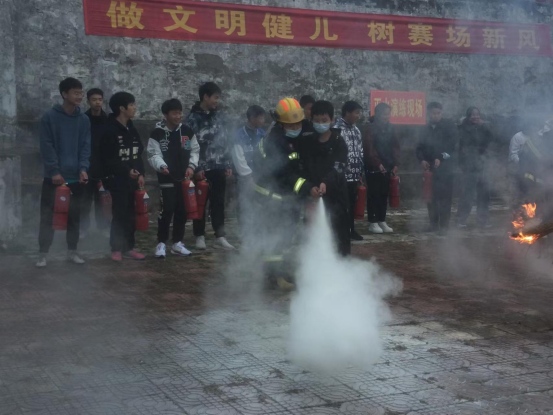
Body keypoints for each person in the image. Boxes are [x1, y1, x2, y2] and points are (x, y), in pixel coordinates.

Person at [252, 97, 319, 290]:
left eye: (298, 123)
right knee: (277, 234)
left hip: (284, 195)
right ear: (281, 123)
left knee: (286, 234)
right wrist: (307, 187)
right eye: (291, 124)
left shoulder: (293, 135)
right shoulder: (276, 142)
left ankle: (279, 272)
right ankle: (273, 277)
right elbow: (286, 176)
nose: (296, 127)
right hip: (270, 195)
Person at [36, 77, 91, 268]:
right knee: (48, 216)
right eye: (75, 92)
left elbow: (85, 146)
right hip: (54, 177)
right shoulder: (50, 117)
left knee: (74, 216)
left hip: (76, 177)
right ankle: (43, 253)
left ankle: (72, 251)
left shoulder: (83, 119)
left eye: (81, 92)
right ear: (64, 94)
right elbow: (46, 146)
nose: (79, 96)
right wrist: (54, 171)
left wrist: (83, 169)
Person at [147, 99, 200, 259]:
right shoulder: (157, 133)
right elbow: (153, 154)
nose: (178, 116)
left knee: (182, 210)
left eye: (179, 113)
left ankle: (177, 242)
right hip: (166, 178)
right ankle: (161, 243)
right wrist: (162, 166)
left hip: (184, 179)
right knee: (167, 209)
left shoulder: (187, 132)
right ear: (166, 115)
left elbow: (195, 150)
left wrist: (191, 166)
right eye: (174, 113)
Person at [186, 82, 235, 250]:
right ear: (205, 97)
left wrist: (227, 162)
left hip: (219, 165)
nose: (217, 101)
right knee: (200, 203)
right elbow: (188, 146)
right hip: (201, 168)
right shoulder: (192, 119)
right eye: (215, 97)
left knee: (218, 202)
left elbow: (226, 140)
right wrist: (196, 168)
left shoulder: (220, 117)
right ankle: (199, 235)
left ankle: (220, 235)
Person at [100, 92, 146, 261]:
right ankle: (116, 248)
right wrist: (126, 171)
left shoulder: (131, 128)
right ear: (122, 108)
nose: (134, 108)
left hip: (132, 179)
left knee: (131, 214)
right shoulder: (109, 129)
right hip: (116, 179)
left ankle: (129, 247)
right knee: (119, 213)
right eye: (131, 105)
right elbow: (108, 158)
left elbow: (138, 153)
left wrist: (140, 173)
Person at [303, 100, 350, 255]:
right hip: (313, 195)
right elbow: (303, 169)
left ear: (332, 120)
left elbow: (339, 167)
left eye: (324, 120)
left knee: (339, 232)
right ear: (311, 120)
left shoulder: (338, 142)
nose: (320, 124)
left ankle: (342, 263)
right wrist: (310, 187)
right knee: (312, 233)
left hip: (336, 196)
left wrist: (326, 182)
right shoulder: (308, 142)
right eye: (317, 120)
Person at [416, 102, 457, 235]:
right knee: (431, 197)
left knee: (445, 198)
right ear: (429, 113)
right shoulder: (424, 129)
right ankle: (433, 224)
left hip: (445, 169)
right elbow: (419, 147)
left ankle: (444, 226)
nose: (436, 116)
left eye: (438, 113)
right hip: (430, 169)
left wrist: (441, 157)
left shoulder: (448, 127)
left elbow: (452, 147)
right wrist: (422, 160)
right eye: (433, 113)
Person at [362, 103, 400, 234]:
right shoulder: (370, 128)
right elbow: (369, 148)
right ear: (377, 114)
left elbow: (395, 147)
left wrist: (395, 163)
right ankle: (372, 222)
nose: (387, 116)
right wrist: (377, 163)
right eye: (384, 114)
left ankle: (381, 219)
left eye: (388, 114)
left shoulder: (391, 128)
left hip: (388, 165)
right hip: (374, 166)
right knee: (374, 194)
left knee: (384, 194)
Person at [456, 107, 494, 228]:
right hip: (469, 167)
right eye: (472, 115)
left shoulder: (484, 127)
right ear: (468, 116)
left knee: (484, 195)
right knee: (468, 195)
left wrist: (484, 126)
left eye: (477, 114)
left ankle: (483, 220)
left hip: (483, 165)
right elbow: (462, 147)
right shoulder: (463, 128)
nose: (475, 117)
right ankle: (461, 220)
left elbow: (491, 139)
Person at [231, 105, 266, 230]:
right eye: (261, 118)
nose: (263, 121)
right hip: (244, 177)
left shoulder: (262, 134)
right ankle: (244, 230)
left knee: (259, 203)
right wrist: (248, 176)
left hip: (259, 175)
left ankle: (258, 229)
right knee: (244, 203)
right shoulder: (239, 136)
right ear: (252, 118)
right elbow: (238, 158)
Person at [334, 101, 364, 241]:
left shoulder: (357, 130)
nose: (358, 116)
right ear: (347, 112)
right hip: (341, 176)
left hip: (354, 175)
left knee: (352, 204)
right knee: (341, 205)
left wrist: (360, 172)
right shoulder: (337, 129)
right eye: (356, 113)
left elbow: (360, 151)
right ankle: (340, 231)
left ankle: (351, 230)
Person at [82, 88, 109, 237]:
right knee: (85, 199)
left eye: (100, 99)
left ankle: (103, 226)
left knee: (102, 198)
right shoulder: (83, 119)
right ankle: (83, 228)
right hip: (87, 163)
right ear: (88, 101)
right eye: (94, 100)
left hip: (103, 164)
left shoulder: (108, 120)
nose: (97, 102)